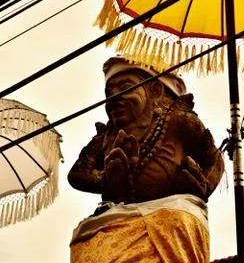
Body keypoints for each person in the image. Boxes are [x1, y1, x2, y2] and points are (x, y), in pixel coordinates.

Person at [68, 56, 224, 263]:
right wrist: (107, 178)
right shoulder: (107, 137)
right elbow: (77, 175)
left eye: (125, 88)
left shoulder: (179, 120)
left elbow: (215, 160)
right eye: (109, 93)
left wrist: (203, 185)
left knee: (176, 219)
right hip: (119, 216)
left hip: (172, 210)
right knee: (85, 238)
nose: (114, 98)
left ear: (154, 91)